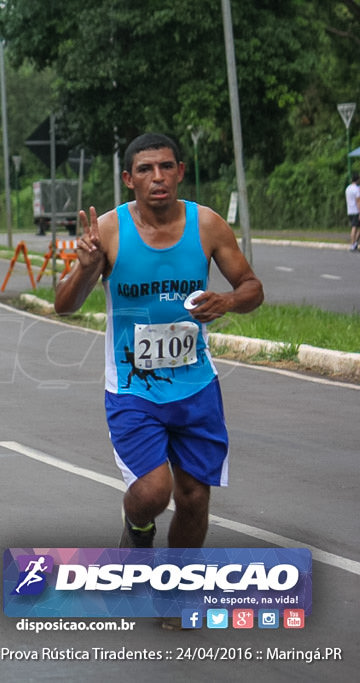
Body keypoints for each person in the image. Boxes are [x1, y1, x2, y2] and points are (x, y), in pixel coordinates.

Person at [54, 133, 263, 564]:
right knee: (152, 492)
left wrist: (226, 301)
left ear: (181, 172)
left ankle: (176, 588)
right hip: (133, 388)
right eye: (146, 170)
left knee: (193, 497)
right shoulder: (109, 230)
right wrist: (87, 270)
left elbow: (252, 288)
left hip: (195, 385)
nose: (158, 177)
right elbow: (64, 306)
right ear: (129, 179)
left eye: (167, 166)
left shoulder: (206, 225)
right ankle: (138, 526)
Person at [346, 173, 360, 251]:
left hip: (350, 210)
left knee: (354, 227)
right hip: (356, 211)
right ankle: (353, 244)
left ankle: (354, 244)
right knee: (354, 227)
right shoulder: (356, 189)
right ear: (357, 179)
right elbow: (358, 201)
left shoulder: (348, 188)